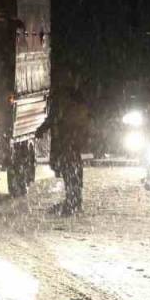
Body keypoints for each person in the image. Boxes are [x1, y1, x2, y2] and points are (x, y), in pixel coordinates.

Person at [36, 76, 91, 215]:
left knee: (69, 171)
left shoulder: (62, 99)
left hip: (65, 140)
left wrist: (42, 129)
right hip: (72, 140)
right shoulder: (77, 97)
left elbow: (54, 117)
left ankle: (72, 202)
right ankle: (74, 201)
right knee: (73, 171)